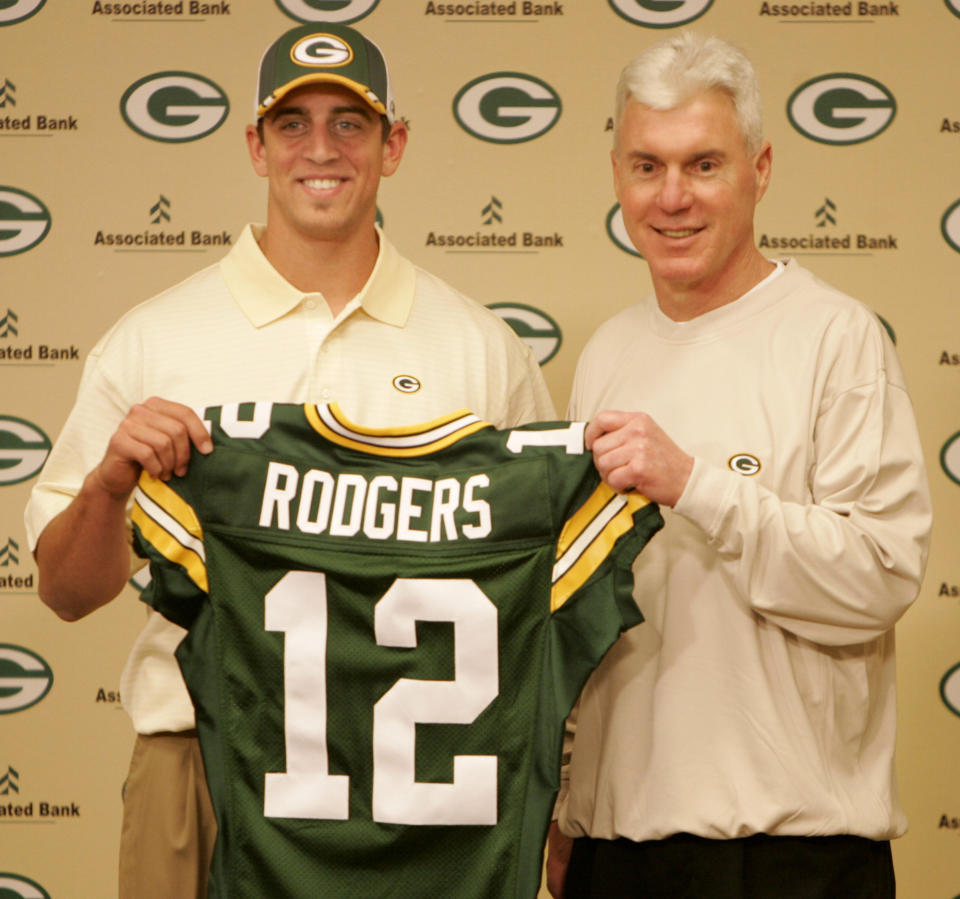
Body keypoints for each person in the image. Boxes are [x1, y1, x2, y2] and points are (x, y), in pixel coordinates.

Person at [25, 21, 554, 899]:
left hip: (417, 791)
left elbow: (534, 603)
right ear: (255, 144)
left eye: (350, 124)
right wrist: (111, 485)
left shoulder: (481, 349)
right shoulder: (157, 340)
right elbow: (65, 591)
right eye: (292, 123)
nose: (321, 149)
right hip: (199, 768)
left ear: (396, 146)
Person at [547, 31, 931, 899]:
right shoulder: (608, 351)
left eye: (703, 165)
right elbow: (581, 603)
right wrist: (568, 805)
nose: (672, 196)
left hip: (790, 856)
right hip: (617, 848)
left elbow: (878, 574)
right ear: (616, 176)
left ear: (760, 168)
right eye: (647, 166)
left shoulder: (836, 337)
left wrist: (698, 485)